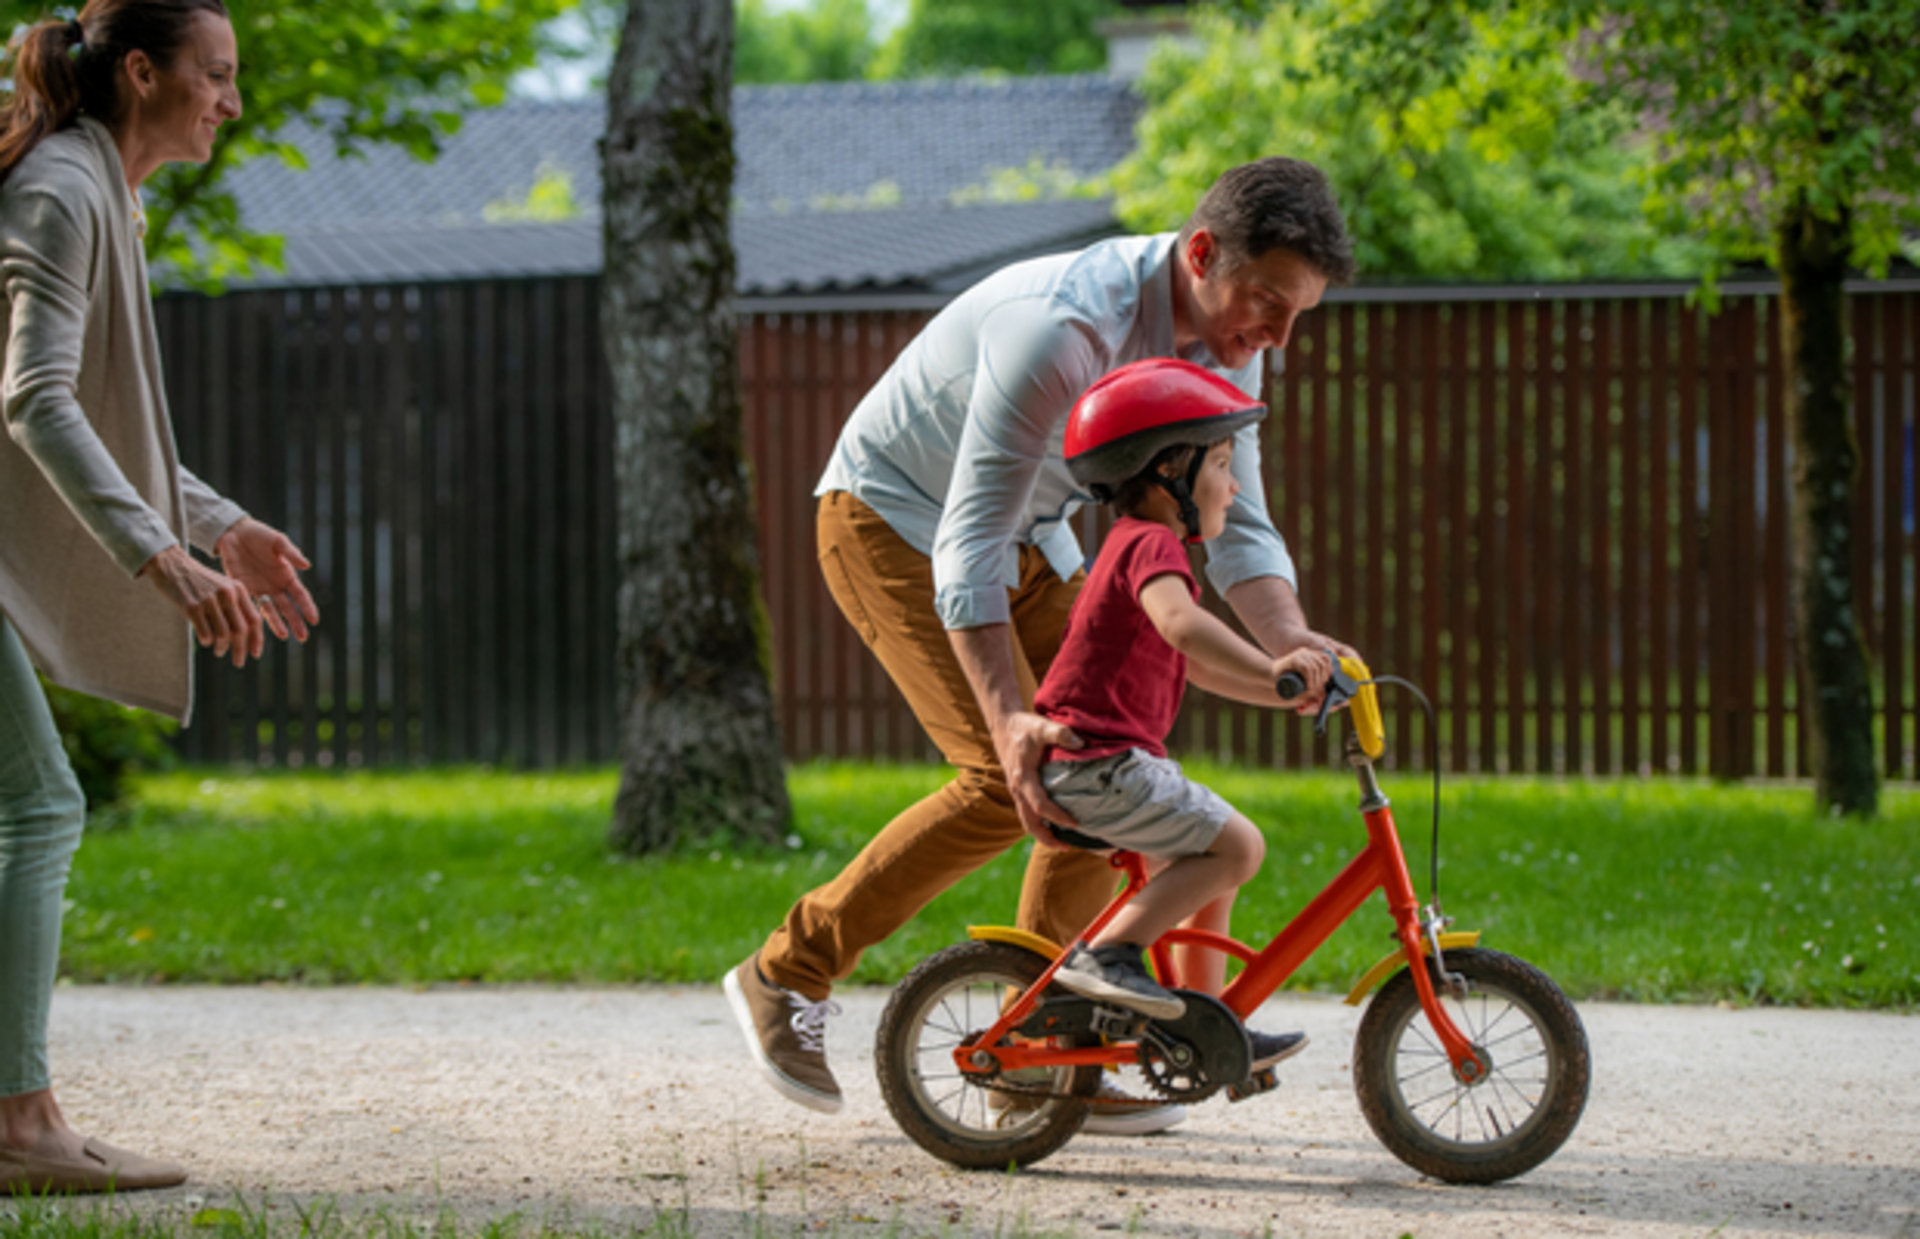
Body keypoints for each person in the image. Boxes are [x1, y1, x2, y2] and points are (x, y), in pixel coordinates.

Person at [726, 157, 1359, 1135]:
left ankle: (1048, 1042)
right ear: (1201, 254)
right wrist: (1011, 719)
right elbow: (967, 537)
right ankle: (787, 972)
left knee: (1109, 763)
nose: (1274, 335)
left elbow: (1237, 523)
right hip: (895, 518)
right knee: (1008, 771)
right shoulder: (1067, 326)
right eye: (1268, 301)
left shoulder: (1236, 339)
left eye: (1297, 314)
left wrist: (1292, 639)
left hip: (1034, 532)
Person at [0, 0, 318, 1194]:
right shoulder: (67, 190)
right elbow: (33, 401)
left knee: (29, 808)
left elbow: (103, 418)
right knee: (36, 809)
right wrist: (159, 558)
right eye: (216, 75)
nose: (231, 101)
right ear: (142, 71)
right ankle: (20, 1126)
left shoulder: (101, 191)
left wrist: (217, 524)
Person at [1038, 358, 1328, 1052]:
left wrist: (1279, 688)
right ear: (1169, 470)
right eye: (1222, 463)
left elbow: (1189, 663)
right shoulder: (1151, 543)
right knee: (1238, 845)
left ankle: (1207, 1018)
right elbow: (1183, 627)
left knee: (1209, 853)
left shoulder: (1138, 545)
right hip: (1098, 762)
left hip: (1103, 762)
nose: (1233, 482)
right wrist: (1273, 660)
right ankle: (1105, 954)